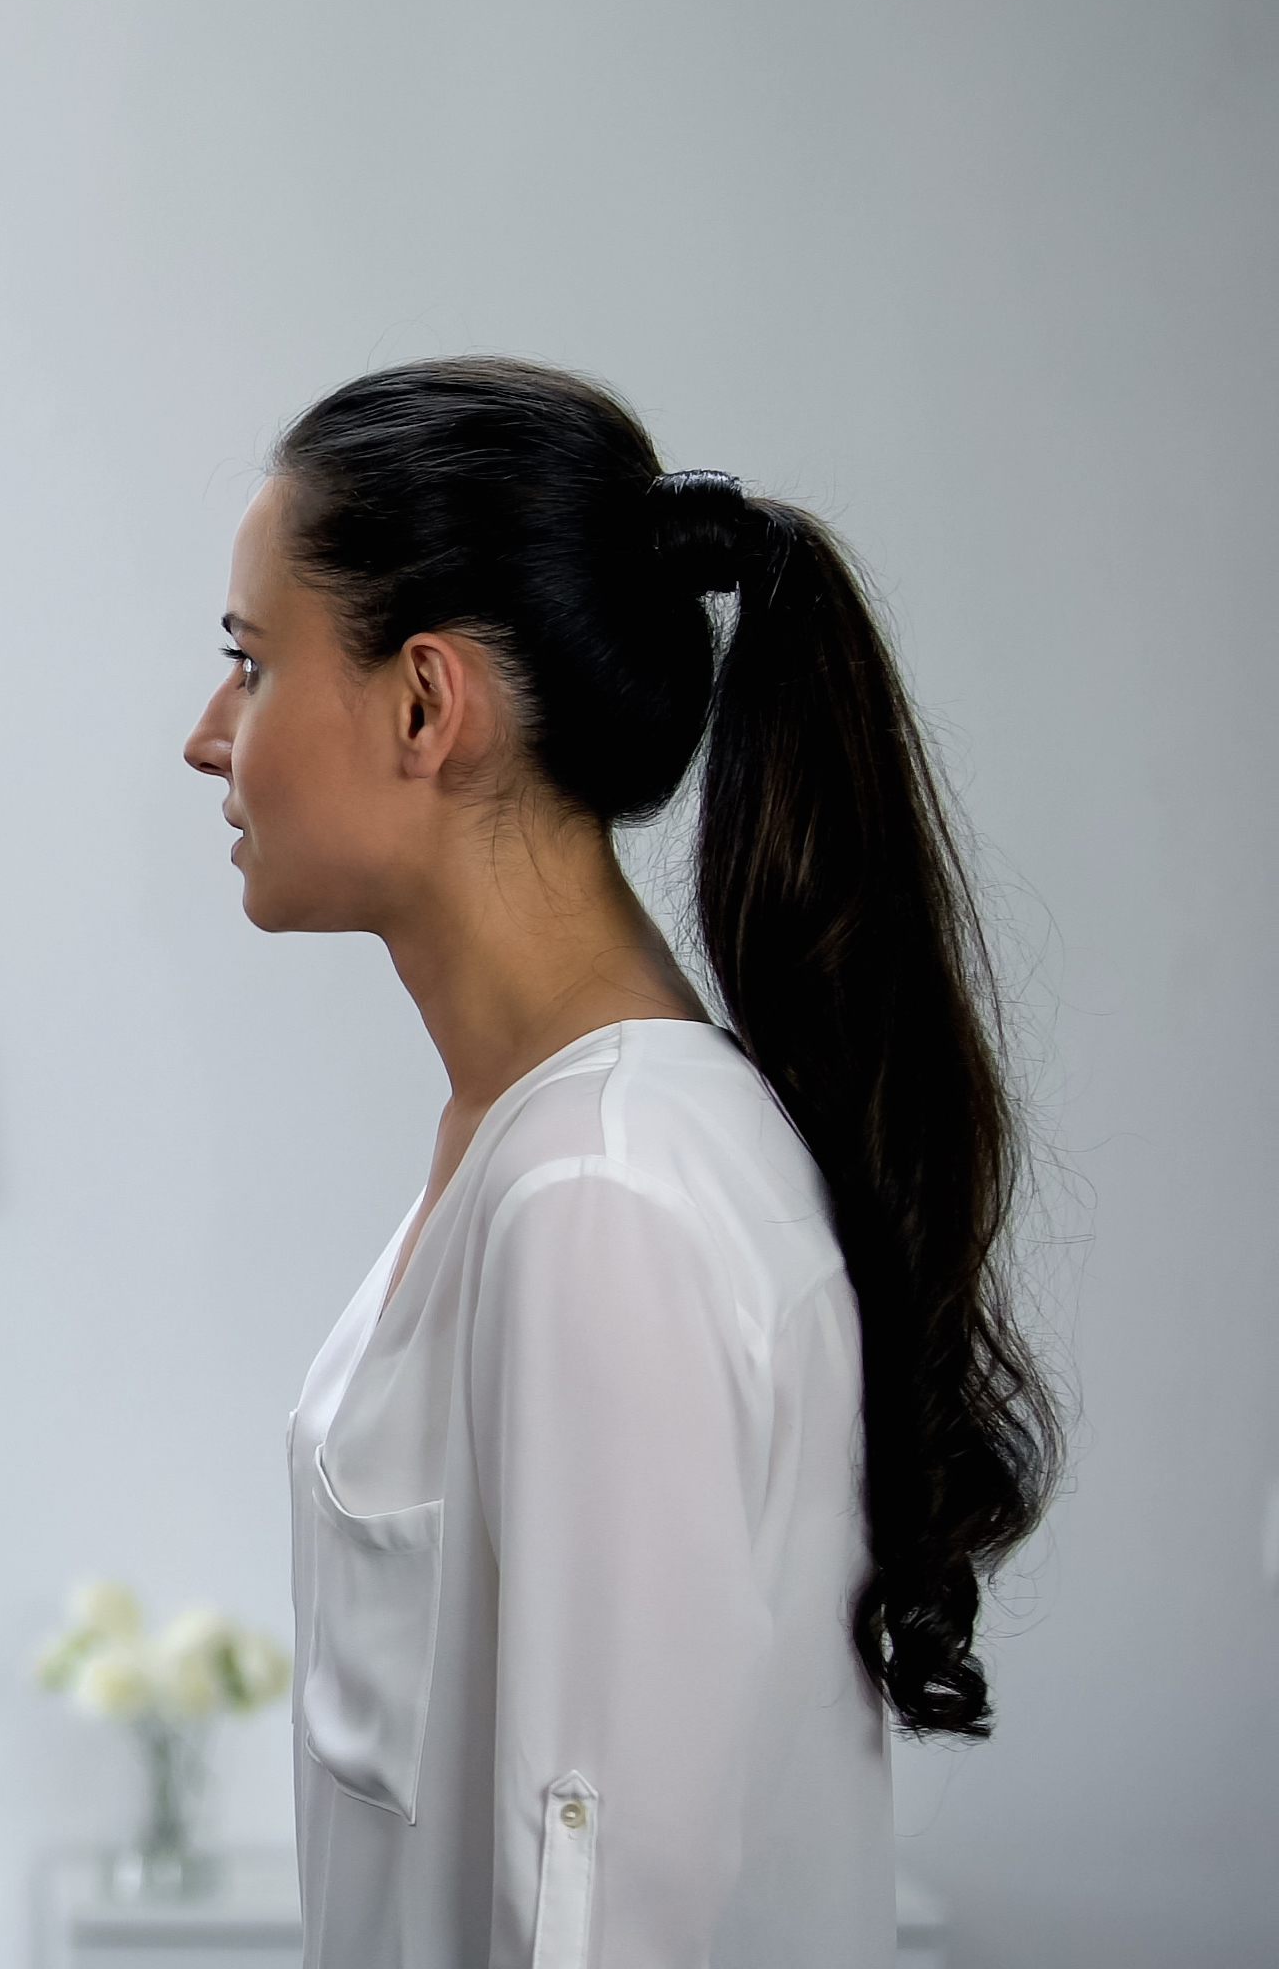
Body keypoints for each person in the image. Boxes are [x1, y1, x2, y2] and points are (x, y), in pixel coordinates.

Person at [181, 358, 1058, 1965]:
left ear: (427, 703)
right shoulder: (550, 1140)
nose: (204, 736)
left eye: (249, 663)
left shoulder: (601, 1196)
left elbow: (599, 1902)